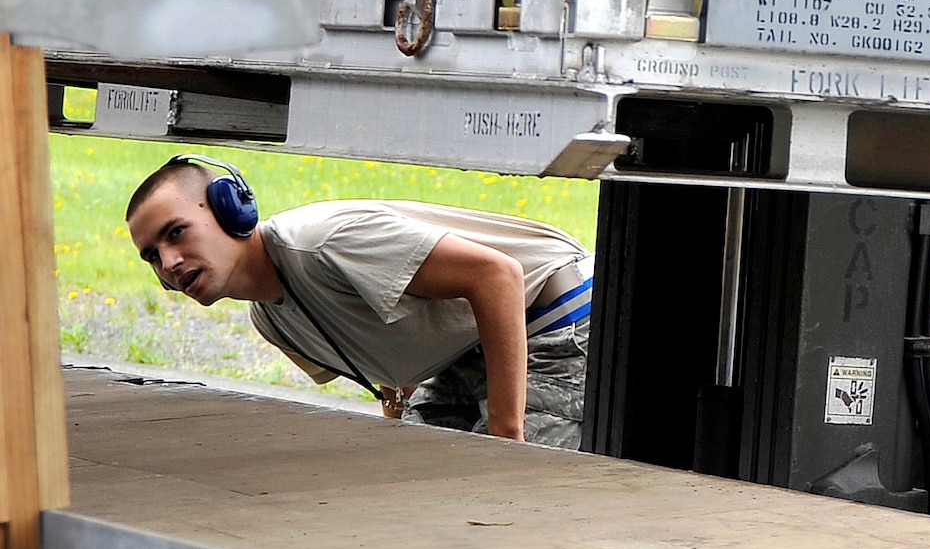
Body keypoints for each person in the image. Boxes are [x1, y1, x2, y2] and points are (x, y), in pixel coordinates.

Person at [125, 154, 593, 449]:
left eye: (176, 232)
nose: (168, 262)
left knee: (507, 479)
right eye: (152, 255)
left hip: (554, 316)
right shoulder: (269, 320)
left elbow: (497, 275)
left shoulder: (325, 242)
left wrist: (506, 435)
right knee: (416, 462)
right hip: (467, 346)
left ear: (230, 205)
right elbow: (391, 372)